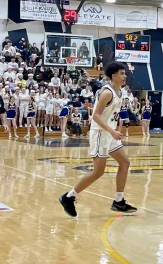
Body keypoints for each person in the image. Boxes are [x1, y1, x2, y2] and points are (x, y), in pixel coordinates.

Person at [59, 62, 138, 216]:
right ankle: (69, 197)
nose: (124, 76)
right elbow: (96, 116)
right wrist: (112, 131)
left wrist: (115, 130)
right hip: (101, 134)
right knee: (98, 172)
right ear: (113, 75)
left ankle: (119, 200)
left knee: (125, 162)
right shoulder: (107, 93)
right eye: (122, 73)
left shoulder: (120, 91)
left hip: (110, 134)